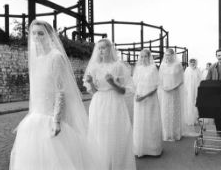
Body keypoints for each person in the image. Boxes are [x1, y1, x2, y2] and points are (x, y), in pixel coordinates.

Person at [10, 20, 104, 170]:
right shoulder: (37, 58)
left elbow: (60, 91)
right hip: (35, 118)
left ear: (50, 36)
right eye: (34, 33)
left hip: (51, 118)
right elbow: (37, 91)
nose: (37, 37)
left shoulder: (56, 57)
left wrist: (56, 120)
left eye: (41, 33)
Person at [83, 38, 136, 170]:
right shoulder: (94, 67)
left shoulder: (118, 66)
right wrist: (90, 82)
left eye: (104, 47)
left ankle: (117, 165)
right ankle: (102, 165)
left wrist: (112, 82)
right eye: (99, 48)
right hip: (98, 102)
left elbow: (124, 91)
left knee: (116, 133)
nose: (101, 50)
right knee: (99, 134)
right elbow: (95, 91)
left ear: (110, 49)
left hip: (115, 102)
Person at [133, 49, 163, 157]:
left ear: (149, 57)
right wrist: (137, 95)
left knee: (150, 122)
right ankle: (140, 148)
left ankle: (153, 149)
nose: (143, 58)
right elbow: (135, 84)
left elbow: (155, 87)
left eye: (145, 56)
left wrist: (144, 96)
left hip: (150, 99)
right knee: (140, 122)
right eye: (141, 56)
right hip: (139, 98)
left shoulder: (152, 68)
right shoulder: (138, 68)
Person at [158, 48, 184, 141]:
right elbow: (160, 79)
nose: (167, 56)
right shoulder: (162, 65)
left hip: (174, 91)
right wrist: (163, 87)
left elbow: (181, 80)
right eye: (166, 55)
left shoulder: (177, 65)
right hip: (165, 92)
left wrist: (173, 87)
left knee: (173, 111)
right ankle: (166, 134)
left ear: (173, 55)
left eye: (169, 55)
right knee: (165, 112)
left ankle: (174, 133)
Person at [183, 58, 202, 136]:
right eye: (191, 62)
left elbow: (200, 79)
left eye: (194, 62)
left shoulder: (198, 70)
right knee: (189, 103)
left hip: (196, 89)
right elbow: (185, 80)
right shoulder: (187, 70)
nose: (192, 63)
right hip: (189, 89)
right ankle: (190, 119)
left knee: (196, 103)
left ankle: (196, 119)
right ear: (189, 63)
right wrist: (186, 89)